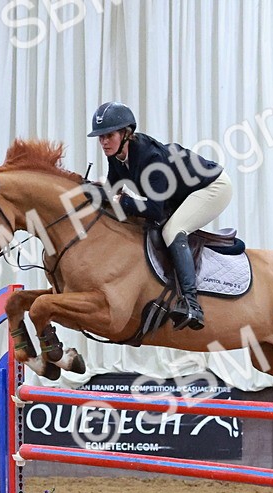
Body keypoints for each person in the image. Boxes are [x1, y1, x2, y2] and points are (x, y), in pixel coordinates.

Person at [88, 101, 232, 330]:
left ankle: (192, 304)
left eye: (109, 135)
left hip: (212, 187)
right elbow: (113, 192)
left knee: (173, 230)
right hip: (181, 194)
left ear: (126, 133)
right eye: (100, 137)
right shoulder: (115, 155)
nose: (104, 142)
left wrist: (121, 200)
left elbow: (153, 210)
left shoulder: (150, 157)